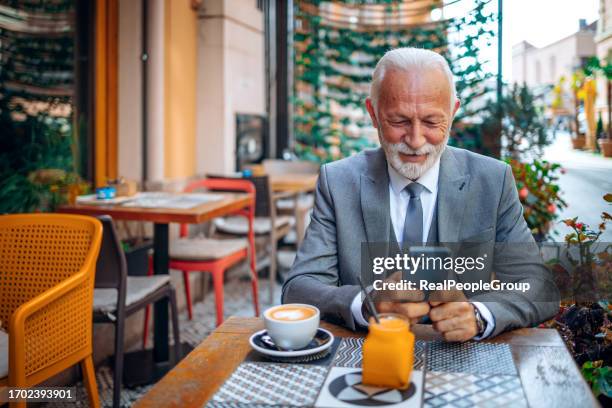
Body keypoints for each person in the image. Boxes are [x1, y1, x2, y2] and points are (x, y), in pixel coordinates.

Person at [282, 47, 559, 341]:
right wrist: (365, 304)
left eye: (431, 122)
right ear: (373, 115)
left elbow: (538, 286)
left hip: (463, 363)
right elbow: (299, 287)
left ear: (452, 113)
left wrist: (479, 315)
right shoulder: (337, 182)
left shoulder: (493, 180)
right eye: (399, 121)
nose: (415, 141)